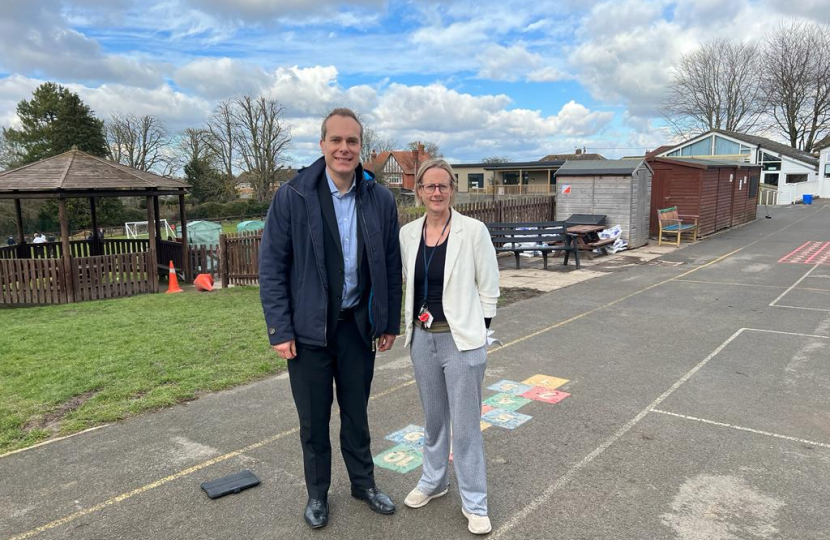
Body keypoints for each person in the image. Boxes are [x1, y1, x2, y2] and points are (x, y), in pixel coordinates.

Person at [259, 108, 402, 530]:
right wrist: (280, 329)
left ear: (362, 148)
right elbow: (272, 268)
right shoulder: (293, 196)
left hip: (358, 328)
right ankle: (318, 494)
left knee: (357, 414)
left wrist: (388, 320)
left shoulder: (379, 199)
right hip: (308, 334)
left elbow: (390, 266)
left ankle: (364, 484)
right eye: (336, 140)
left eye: (352, 142)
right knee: (314, 420)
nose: (344, 149)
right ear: (322, 145)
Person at [399, 159, 500, 535]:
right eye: (429, 187)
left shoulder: (473, 231)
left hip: (461, 341)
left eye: (443, 186)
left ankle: (475, 502)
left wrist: (480, 332)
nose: (436, 192)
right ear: (420, 191)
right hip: (422, 340)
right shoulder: (409, 233)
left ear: (452, 190)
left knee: (467, 426)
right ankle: (434, 481)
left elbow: (489, 287)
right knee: (434, 419)